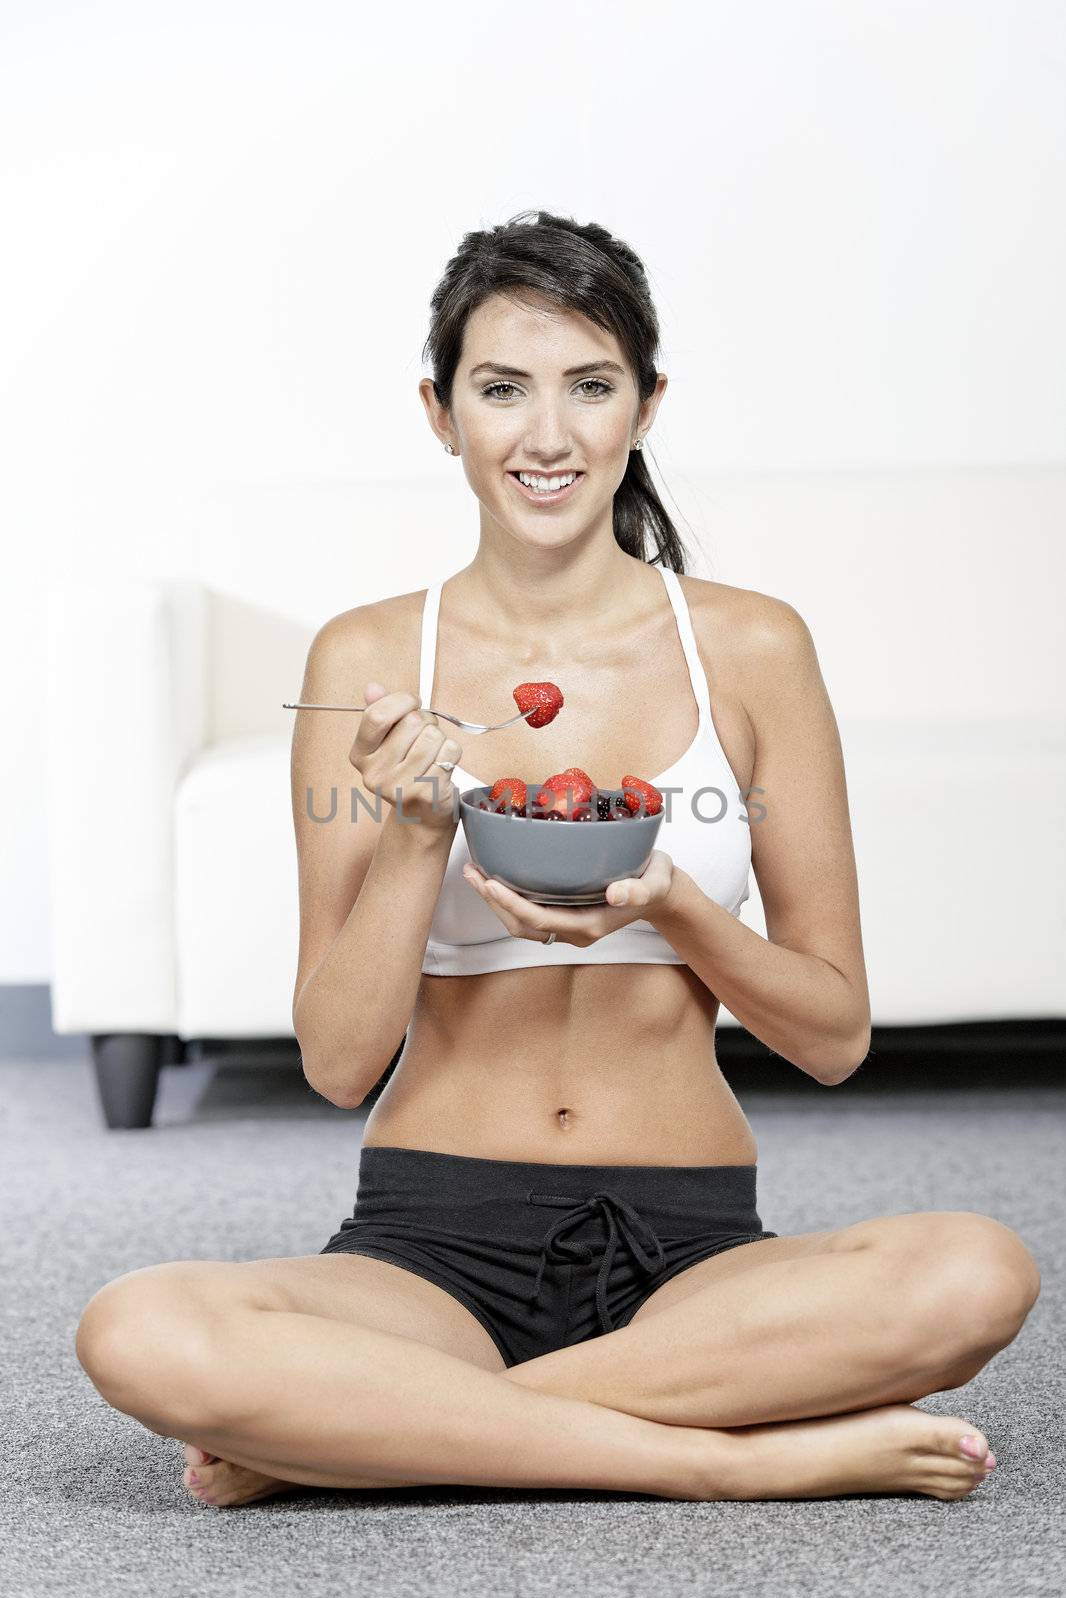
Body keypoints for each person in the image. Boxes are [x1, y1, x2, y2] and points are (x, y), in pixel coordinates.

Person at [75, 210, 1039, 1508]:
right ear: (439, 412)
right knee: (138, 1330)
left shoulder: (751, 648)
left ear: (644, 406)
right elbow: (336, 1061)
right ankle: (716, 1461)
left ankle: (361, 1438)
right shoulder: (364, 662)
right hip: (429, 1248)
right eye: (500, 389)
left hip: (694, 1250)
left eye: (590, 387)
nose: (546, 436)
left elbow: (833, 1036)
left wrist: (679, 908)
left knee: (975, 1271)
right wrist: (417, 834)